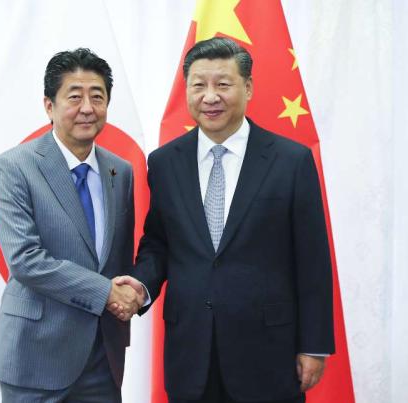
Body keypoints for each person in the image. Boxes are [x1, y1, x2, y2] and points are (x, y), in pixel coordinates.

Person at [116, 37, 334, 403]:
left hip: (268, 354)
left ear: (248, 87)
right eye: (199, 85)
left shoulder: (291, 161)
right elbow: (159, 243)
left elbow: (312, 259)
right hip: (191, 352)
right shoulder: (165, 162)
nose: (210, 96)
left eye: (223, 84)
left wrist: (314, 345)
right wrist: (141, 286)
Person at [0, 48, 143, 403]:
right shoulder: (15, 166)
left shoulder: (120, 171)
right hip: (36, 356)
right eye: (74, 97)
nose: (87, 107)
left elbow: (117, 258)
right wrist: (106, 293)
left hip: (103, 358)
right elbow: (26, 260)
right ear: (49, 105)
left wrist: (132, 292)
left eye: (98, 96)